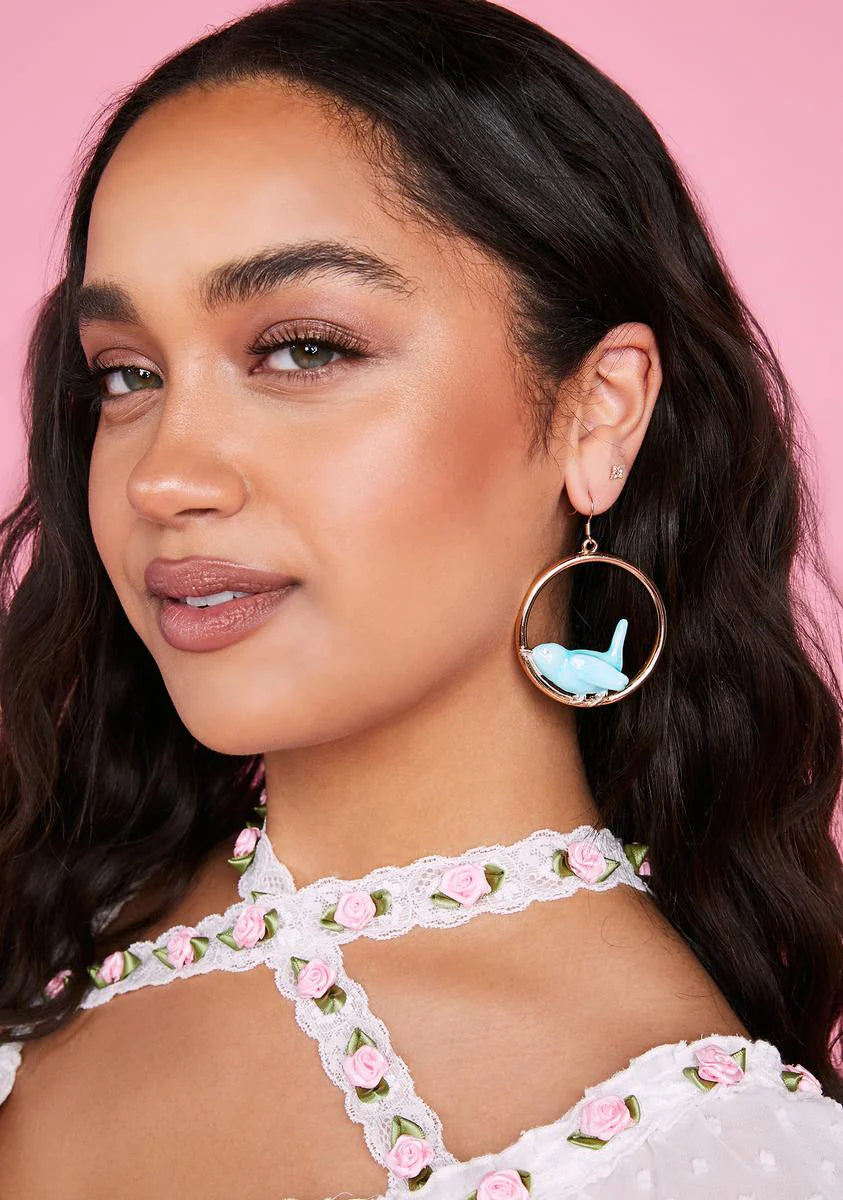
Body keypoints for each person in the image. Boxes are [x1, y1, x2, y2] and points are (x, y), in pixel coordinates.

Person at [0, 0, 841, 1195]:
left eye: (305, 349)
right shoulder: (41, 932)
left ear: (598, 414)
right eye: (127, 375)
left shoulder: (710, 1156)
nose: (164, 477)